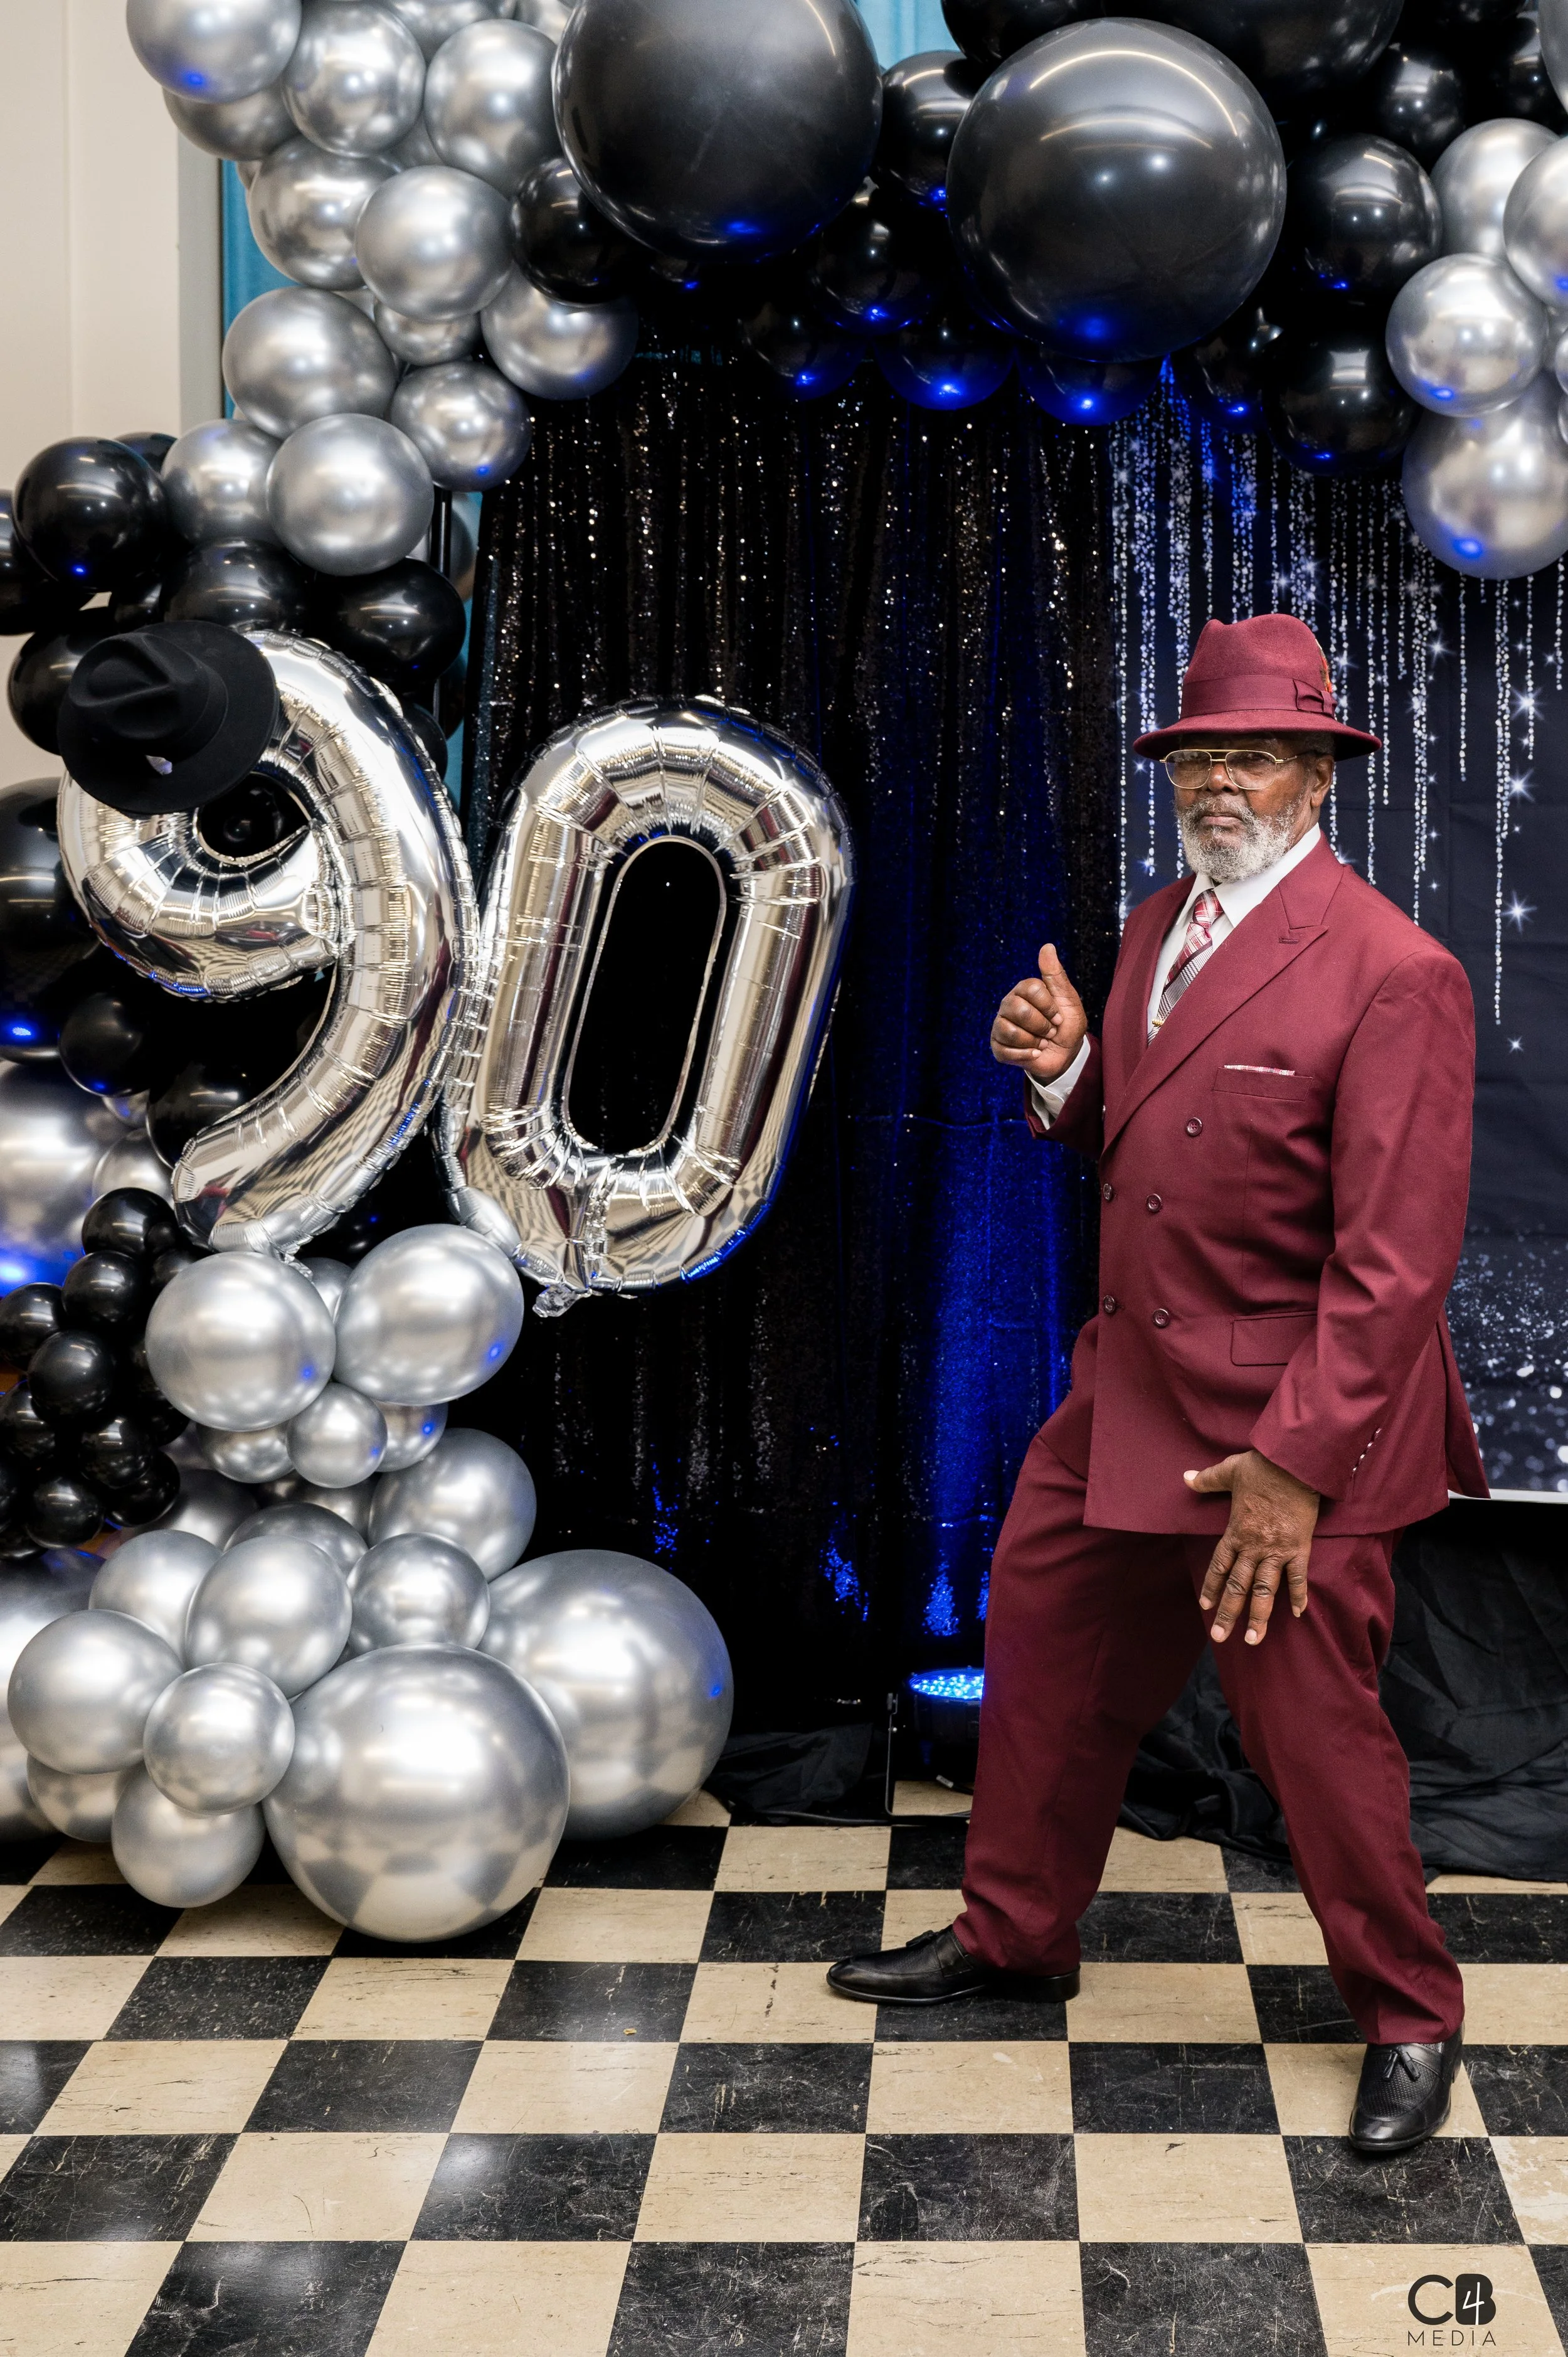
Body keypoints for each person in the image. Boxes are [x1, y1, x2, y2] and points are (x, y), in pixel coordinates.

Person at [827, 612, 1487, 2154]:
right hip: (1127, 1390)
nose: (1217, 780)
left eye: (1251, 755)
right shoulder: (1150, 928)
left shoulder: (1398, 973)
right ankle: (1011, 1937)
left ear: (1317, 776)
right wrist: (1065, 1070)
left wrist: (1296, 1466)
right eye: (1196, 754)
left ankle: (1407, 2009)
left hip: (1283, 1431)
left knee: (1307, 1736)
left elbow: (1393, 1267)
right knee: (1043, 1656)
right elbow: (1151, 1137)